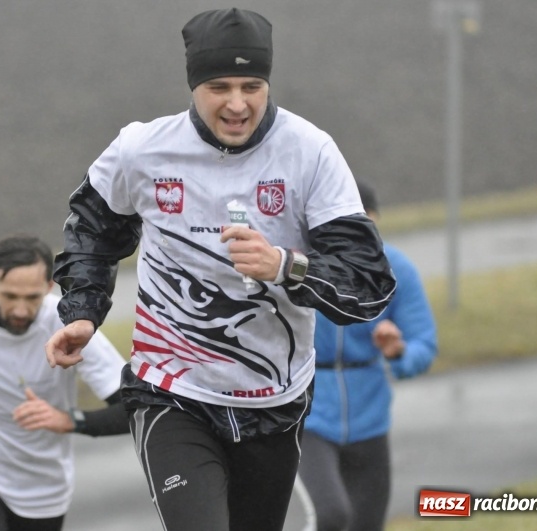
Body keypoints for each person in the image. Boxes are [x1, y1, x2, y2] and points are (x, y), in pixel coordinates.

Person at [43, 8, 397, 531]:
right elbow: (92, 235)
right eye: (219, 87)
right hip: (171, 391)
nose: (237, 104)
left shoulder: (311, 153)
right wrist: (83, 311)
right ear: (193, 87)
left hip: (274, 400)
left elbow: (366, 285)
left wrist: (286, 265)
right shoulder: (142, 149)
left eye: (252, 85)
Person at [0, 234, 129, 531]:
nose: (20, 310)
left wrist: (70, 420)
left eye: (31, 298)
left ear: (49, 286)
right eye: (10, 296)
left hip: (43, 487)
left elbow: (131, 409)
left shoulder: (69, 328)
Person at [298, 179, 438, 531]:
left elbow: (424, 342)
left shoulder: (397, 269)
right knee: (331, 516)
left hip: (370, 418)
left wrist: (400, 350)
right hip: (307, 415)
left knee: (366, 525)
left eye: (364, 223)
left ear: (375, 220)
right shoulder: (300, 265)